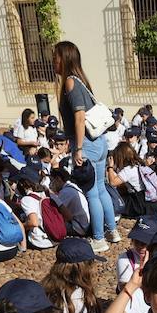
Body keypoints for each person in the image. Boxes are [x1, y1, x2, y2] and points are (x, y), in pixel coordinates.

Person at [54, 41, 118, 253]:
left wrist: (78, 149)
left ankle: (99, 239)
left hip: (87, 144)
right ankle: (113, 231)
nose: (53, 60)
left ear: (64, 58)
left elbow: (79, 118)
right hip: (98, 141)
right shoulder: (81, 81)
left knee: (92, 192)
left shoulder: (71, 83)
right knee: (100, 189)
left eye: (56, 56)